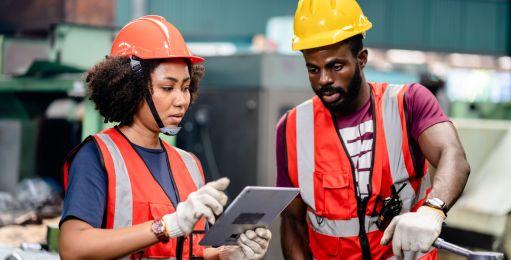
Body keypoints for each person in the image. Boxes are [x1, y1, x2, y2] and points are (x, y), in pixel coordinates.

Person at [59, 15, 271, 260]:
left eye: (185, 87)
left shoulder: (189, 165)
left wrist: (226, 255)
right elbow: (73, 248)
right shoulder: (98, 156)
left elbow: (189, 252)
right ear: (131, 88)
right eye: (168, 88)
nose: (181, 100)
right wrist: (166, 226)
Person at [276, 1, 470, 259]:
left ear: (361, 59)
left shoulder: (408, 103)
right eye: (313, 69)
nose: (323, 80)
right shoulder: (291, 127)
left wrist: (432, 210)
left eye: (336, 66)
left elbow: (453, 156)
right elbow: (292, 221)